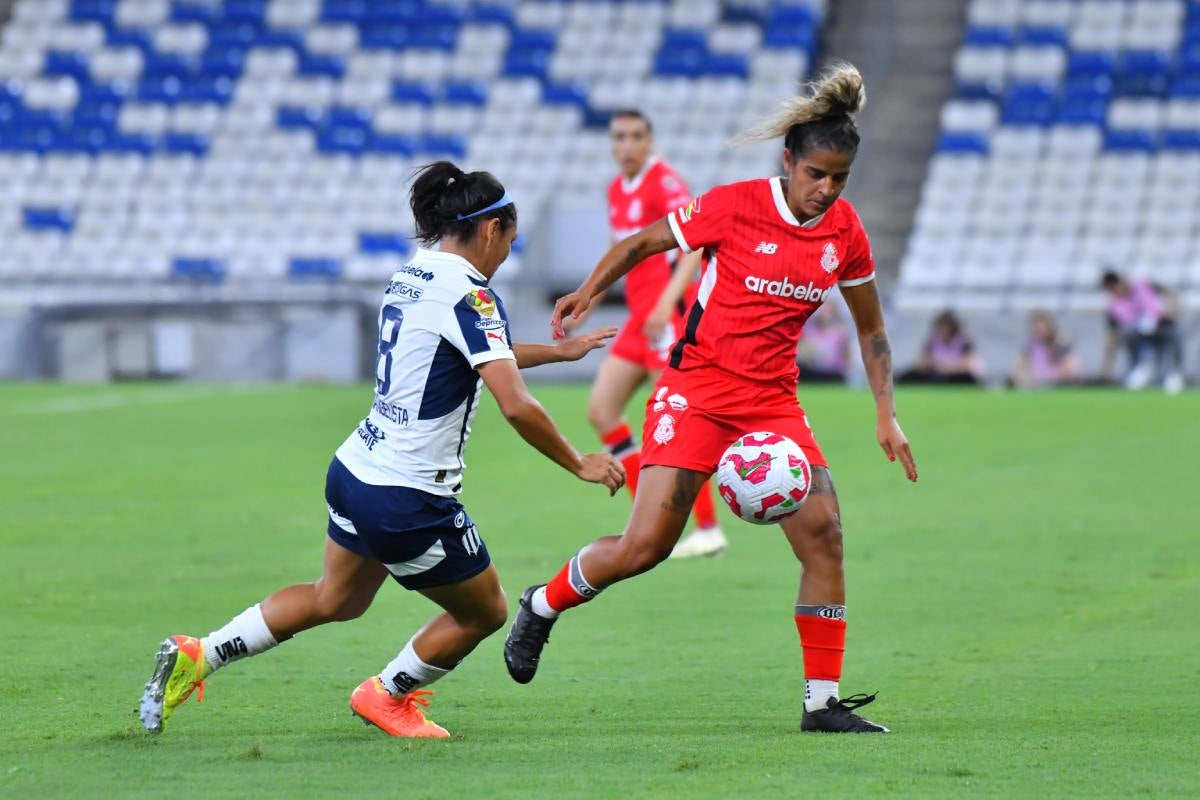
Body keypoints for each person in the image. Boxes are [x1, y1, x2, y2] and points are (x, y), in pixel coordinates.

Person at [137, 162, 625, 739]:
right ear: (491, 230)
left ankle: (202, 653)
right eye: (509, 243)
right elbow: (515, 404)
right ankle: (387, 694)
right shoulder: (472, 293)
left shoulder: (412, 275)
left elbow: (467, 348)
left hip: (355, 469)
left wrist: (556, 353)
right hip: (407, 493)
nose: (504, 257)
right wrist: (580, 462)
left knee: (335, 597)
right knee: (486, 610)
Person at [503, 63, 918, 734]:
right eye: (817, 174)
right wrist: (589, 291)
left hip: (773, 406)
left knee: (826, 540)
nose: (827, 189)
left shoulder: (845, 232)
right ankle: (542, 604)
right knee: (645, 548)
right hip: (694, 392)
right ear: (790, 161)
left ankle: (822, 704)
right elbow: (643, 242)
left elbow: (871, 328)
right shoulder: (736, 204)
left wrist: (884, 412)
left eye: (840, 178)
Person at [567, 109, 726, 559]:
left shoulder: (665, 182)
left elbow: (696, 245)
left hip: (669, 318)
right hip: (640, 320)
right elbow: (618, 249)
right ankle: (645, 514)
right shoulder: (617, 189)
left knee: (676, 424)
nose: (626, 146)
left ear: (649, 140)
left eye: (636, 137)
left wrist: (664, 302)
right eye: (619, 138)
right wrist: (589, 295)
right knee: (601, 410)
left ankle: (708, 528)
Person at [1100, 270, 1185, 394]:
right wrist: (1106, 369)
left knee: (1175, 334)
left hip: (1162, 325)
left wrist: (1172, 308)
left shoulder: (1140, 285)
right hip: (1140, 337)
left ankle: (1174, 373)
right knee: (1130, 336)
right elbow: (1112, 334)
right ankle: (1141, 368)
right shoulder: (1114, 307)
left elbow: (1168, 293)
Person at [898, 310, 984, 385]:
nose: (943, 330)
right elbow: (920, 361)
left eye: (946, 327)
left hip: (956, 375)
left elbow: (967, 365)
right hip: (937, 373)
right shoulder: (932, 341)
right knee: (910, 375)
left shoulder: (964, 342)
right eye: (941, 327)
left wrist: (947, 367)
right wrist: (935, 365)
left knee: (966, 378)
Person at [1009, 310, 1082, 389]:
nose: (1040, 332)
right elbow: (1017, 369)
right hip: (1038, 386)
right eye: (1037, 330)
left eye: (1043, 329)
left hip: (1060, 385)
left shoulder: (1061, 344)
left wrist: (1053, 375)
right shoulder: (1031, 346)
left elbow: (1071, 369)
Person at [796, 300, 853, 382]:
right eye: (821, 310)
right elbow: (799, 351)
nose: (823, 314)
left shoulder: (839, 332)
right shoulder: (808, 330)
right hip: (811, 373)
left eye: (827, 311)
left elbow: (847, 356)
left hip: (834, 375)